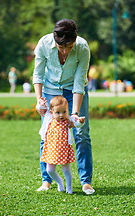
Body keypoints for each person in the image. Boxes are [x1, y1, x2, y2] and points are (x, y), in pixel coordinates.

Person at [33, 18, 95, 195]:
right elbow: (37, 74)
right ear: (55, 40)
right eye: (62, 48)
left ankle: (85, 182)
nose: (66, 51)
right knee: (47, 134)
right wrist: (39, 100)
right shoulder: (44, 44)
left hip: (73, 91)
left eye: (69, 47)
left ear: (75, 41)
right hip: (50, 91)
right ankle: (46, 180)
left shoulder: (82, 47)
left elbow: (79, 80)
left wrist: (74, 113)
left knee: (82, 133)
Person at [38, 95, 85, 194]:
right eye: (58, 112)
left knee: (66, 169)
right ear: (52, 111)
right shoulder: (49, 118)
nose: (61, 115)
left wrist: (80, 122)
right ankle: (60, 182)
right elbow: (40, 109)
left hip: (64, 149)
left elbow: (76, 123)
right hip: (51, 149)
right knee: (49, 170)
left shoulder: (68, 120)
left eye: (64, 112)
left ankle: (69, 188)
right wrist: (41, 104)